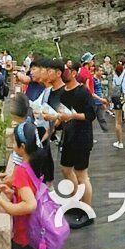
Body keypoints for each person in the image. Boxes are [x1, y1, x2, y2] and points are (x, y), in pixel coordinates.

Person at [44, 58, 95, 228]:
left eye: (67, 69)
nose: (63, 72)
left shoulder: (83, 92)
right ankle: (76, 203)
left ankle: (87, 212)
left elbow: (90, 116)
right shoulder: (63, 93)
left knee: (82, 174)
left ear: (73, 73)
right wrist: (53, 118)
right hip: (69, 136)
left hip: (82, 136)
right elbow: (61, 114)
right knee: (66, 169)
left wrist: (72, 116)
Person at [0, 122, 47, 249]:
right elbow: (30, 191)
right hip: (37, 230)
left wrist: (1, 201)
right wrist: (11, 194)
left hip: (25, 236)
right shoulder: (35, 162)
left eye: (14, 141)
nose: (12, 144)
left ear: (22, 147)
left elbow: (30, 205)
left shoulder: (21, 171)